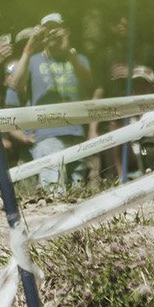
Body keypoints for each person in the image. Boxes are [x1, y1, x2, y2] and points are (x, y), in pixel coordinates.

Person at [10, 13, 98, 192]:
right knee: (54, 189)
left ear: (65, 30)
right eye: (47, 30)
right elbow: (15, 84)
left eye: (56, 29)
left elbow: (89, 82)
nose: (52, 34)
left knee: (78, 190)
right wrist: (29, 48)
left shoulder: (78, 59)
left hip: (77, 133)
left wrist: (68, 49)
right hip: (47, 135)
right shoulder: (33, 60)